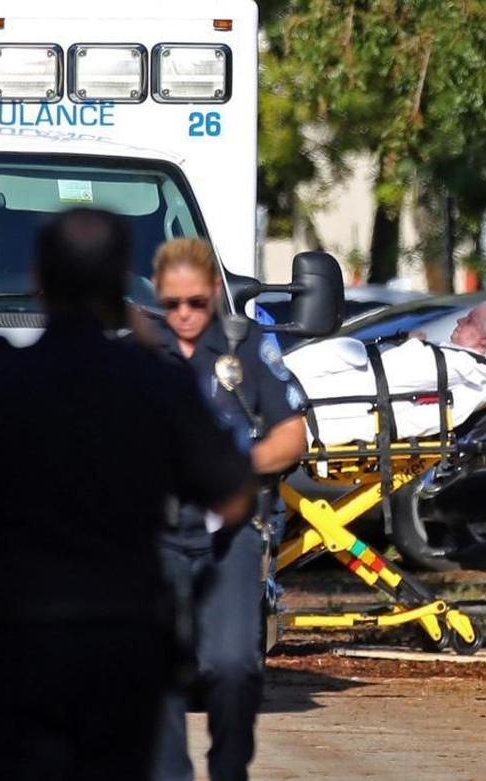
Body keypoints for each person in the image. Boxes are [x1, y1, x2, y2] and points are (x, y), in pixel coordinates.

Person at [0, 208, 256, 781]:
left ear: (37, 280)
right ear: (124, 281)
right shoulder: (156, 385)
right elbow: (232, 496)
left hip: (15, 649)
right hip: (123, 647)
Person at [150, 238, 307, 781]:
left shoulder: (247, 346)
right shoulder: (139, 355)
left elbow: (292, 436)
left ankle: (228, 766)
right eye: (172, 305)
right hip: (157, 533)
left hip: (230, 527)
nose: (185, 315)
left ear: (216, 292)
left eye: (195, 302)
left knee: (234, 666)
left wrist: (239, 466)